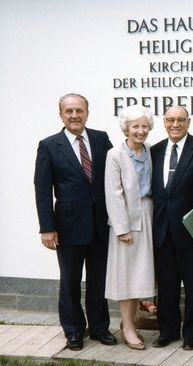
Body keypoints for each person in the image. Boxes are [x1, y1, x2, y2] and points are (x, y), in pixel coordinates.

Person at [34, 93, 116, 350]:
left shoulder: (101, 139)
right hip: (67, 227)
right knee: (69, 281)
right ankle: (73, 330)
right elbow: (42, 189)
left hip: (100, 225)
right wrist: (47, 228)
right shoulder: (49, 145)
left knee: (98, 280)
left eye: (79, 110)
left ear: (87, 113)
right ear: (61, 115)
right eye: (68, 111)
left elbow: (116, 173)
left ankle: (100, 328)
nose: (74, 115)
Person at [151, 106, 193, 350]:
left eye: (180, 120)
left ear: (189, 121)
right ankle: (167, 331)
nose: (175, 124)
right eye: (170, 120)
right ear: (164, 122)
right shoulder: (154, 151)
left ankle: (192, 334)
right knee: (166, 285)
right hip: (163, 230)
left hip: (192, 230)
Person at [104, 105, 156, 350]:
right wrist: (122, 228)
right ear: (126, 127)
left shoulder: (149, 151)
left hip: (148, 215)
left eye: (144, 126)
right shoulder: (115, 154)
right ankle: (127, 327)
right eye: (135, 126)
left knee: (141, 274)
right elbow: (113, 194)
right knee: (126, 276)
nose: (140, 130)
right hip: (126, 221)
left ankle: (133, 322)